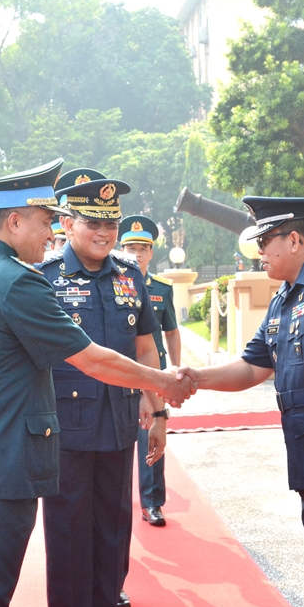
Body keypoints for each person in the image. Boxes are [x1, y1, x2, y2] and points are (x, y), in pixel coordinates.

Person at [0, 159, 195, 607]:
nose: (49, 228)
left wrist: (154, 404)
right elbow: (91, 358)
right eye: (45, 218)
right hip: (0, 461)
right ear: (15, 221)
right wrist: (163, 382)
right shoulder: (19, 281)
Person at [186, 196, 304, 607]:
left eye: (265, 241)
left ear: (295, 239)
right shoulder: (286, 296)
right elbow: (252, 367)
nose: (259, 252)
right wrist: (193, 378)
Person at [39, 172, 165, 607]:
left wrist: (158, 412)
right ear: (67, 223)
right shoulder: (46, 278)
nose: (104, 232)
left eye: (110, 223)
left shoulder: (130, 275)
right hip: (65, 431)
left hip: (118, 424)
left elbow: (144, 348)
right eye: (92, 221)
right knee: (68, 535)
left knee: (113, 532)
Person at [119, 215, 181, 528]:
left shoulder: (161, 289)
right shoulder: (112, 284)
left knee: (152, 434)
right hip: (116, 374)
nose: (136, 253)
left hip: (150, 373)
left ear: (151, 252)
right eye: (130, 246)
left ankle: (152, 501)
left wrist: (174, 367)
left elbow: (171, 330)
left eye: (142, 248)